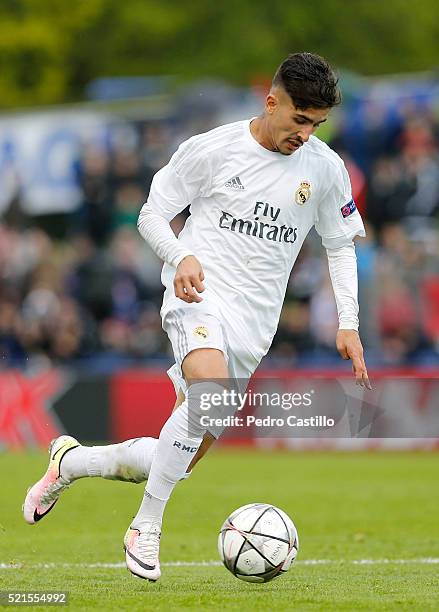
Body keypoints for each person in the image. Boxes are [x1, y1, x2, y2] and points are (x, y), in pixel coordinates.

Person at [23, 52, 370, 582]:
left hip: (254, 330)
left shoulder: (324, 170)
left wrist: (349, 321)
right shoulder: (212, 150)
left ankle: (69, 463)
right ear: (271, 101)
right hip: (197, 294)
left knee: (174, 456)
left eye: (316, 124)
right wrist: (180, 256)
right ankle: (145, 526)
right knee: (206, 395)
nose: (306, 133)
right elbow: (151, 215)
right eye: (299, 119)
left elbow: (341, 246)